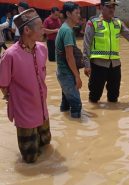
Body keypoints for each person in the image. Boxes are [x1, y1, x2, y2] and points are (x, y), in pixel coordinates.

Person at [0, 9, 51, 163]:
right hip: (24, 113)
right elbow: (3, 84)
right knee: (30, 158)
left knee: (46, 144)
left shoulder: (42, 49)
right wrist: (14, 101)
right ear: (27, 30)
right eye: (40, 27)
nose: (44, 30)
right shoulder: (10, 56)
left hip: (42, 109)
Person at [83, 0, 129, 103]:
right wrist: (87, 65)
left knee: (114, 97)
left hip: (115, 66)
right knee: (94, 96)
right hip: (98, 65)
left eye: (113, 7)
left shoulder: (118, 23)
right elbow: (86, 45)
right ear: (101, 7)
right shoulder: (93, 23)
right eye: (109, 6)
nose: (112, 9)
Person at [55, 2, 83, 118]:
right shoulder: (67, 31)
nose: (79, 15)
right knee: (76, 105)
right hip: (67, 73)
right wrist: (77, 76)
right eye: (76, 13)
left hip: (62, 71)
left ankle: (66, 130)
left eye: (79, 13)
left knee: (66, 105)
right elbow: (69, 56)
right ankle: (77, 131)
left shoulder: (64, 28)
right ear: (68, 14)